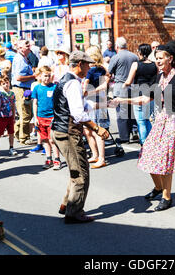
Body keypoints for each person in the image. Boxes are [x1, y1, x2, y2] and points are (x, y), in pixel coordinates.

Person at [113, 45, 175, 211]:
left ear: (170, 59)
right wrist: (122, 101)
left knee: (165, 157)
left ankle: (167, 197)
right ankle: (158, 187)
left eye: (160, 58)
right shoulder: (158, 78)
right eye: (156, 58)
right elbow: (145, 99)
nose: (157, 61)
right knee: (147, 153)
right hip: (161, 118)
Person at [51, 51, 109, 224]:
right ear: (79, 64)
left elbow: (80, 106)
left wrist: (106, 103)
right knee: (81, 174)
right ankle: (74, 212)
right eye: (87, 64)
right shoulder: (73, 83)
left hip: (61, 130)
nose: (89, 67)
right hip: (68, 132)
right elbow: (78, 114)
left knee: (75, 170)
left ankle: (66, 205)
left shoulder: (66, 80)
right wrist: (97, 128)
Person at [122, 43, 157, 145]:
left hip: (138, 93)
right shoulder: (155, 64)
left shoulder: (136, 64)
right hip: (151, 94)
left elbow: (128, 81)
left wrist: (123, 87)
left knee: (141, 121)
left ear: (140, 52)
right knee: (147, 119)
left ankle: (144, 143)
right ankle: (151, 142)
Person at [83, 45, 111, 169]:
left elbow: (86, 84)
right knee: (90, 130)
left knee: (94, 130)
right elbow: (106, 83)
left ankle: (101, 158)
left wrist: (88, 92)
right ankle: (96, 155)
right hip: (100, 100)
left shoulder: (91, 70)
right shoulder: (103, 69)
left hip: (93, 101)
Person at [108, 37, 139, 143]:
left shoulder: (115, 57)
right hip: (134, 85)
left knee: (122, 112)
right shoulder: (134, 56)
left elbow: (109, 72)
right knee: (133, 111)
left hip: (121, 86)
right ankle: (135, 131)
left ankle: (124, 136)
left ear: (117, 46)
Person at [32, 66, 61, 169]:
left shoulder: (54, 87)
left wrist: (57, 115)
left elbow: (58, 103)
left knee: (52, 140)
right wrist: (35, 117)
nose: (47, 78)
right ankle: (49, 159)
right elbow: (35, 103)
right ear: (40, 76)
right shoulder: (37, 88)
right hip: (40, 117)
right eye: (45, 76)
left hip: (52, 117)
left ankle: (57, 159)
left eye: (49, 76)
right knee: (44, 140)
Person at [11, 39, 35, 145]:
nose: (29, 46)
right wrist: (34, 76)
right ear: (20, 48)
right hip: (21, 89)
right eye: (26, 45)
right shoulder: (20, 59)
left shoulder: (24, 57)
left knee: (27, 114)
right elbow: (19, 77)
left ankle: (16, 131)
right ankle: (24, 138)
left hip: (25, 89)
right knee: (25, 113)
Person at [0, 75, 18, 160]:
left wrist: (13, 116)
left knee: (11, 133)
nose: (6, 85)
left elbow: (13, 104)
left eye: (7, 82)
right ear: (0, 85)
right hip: (2, 117)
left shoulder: (12, 94)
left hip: (10, 117)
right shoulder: (0, 94)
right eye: (3, 83)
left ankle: (11, 148)